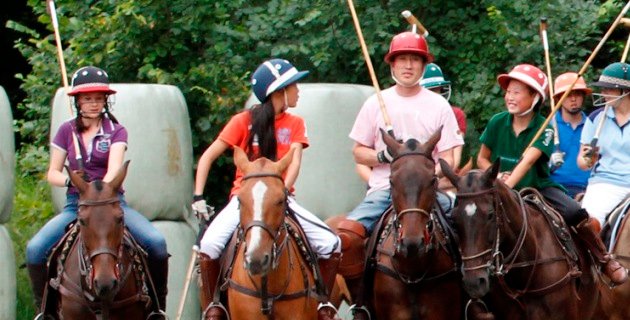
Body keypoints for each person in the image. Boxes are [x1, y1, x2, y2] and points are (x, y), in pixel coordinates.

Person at [192, 58, 341, 320]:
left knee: (331, 243)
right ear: (279, 90)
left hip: (281, 198)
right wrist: (198, 197)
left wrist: (282, 189)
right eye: (294, 85)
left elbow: (294, 161)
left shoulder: (295, 123)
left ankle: (322, 303)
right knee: (209, 246)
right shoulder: (242, 121)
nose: (299, 91)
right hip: (245, 198)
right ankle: (214, 305)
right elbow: (207, 157)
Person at [26, 66, 169, 315]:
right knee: (35, 250)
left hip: (112, 203)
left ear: (105, 100)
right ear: (78, 101)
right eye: (87, 98)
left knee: (156, 244)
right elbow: (53, 173)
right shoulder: (65, 131)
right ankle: (45, 311)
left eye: (98, 98)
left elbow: (115, 168)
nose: (93, 103)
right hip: (77, 205)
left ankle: (157, 309)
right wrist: (71, 182)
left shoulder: (116, 131)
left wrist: (98, 186)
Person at [336, 31, 464, 297]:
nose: (408, 66)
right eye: (402, 59)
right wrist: (382, 157)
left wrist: (424, 175)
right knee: (346, 238)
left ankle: (470, 300)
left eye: (414, 60)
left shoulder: (439, 105)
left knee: (469, 228)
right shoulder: (376, 103)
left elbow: (451, 157)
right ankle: (361, 300)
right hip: (386, 189)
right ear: (392, 65)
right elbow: (358, 152)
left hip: (429, 192)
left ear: (423, 66)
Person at [477, 63, 627, 285]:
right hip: (604, 182)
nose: (510, 96)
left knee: (576, 214)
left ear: (535, 97)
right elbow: (482, 158)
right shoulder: (497, 121)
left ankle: (603, 260)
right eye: (508, 91)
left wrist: (505, 188)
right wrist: (495, 179)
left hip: (537, 185)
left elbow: (527, 162)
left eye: (516, 92)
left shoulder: (544, 126)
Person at [578, 62, 630, 229]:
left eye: (609, 89)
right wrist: (587, 159)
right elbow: (581, 162)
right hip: (606, 183)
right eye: (603, 88)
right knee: (587, 224)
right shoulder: (596, 118)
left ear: (625, 91)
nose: (603, 93)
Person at [421, 62, 467, 168]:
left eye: (437, 89)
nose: (435, 94)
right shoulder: (411, 115)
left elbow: (455, 161)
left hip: (446, 173)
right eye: (430, 90)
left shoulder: (455, 114)